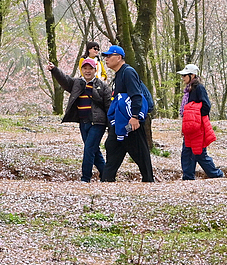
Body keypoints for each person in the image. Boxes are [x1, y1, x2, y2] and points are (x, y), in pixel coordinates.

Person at [47, 57, 110, 182]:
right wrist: (54, 70)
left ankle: (85, 178)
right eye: (85, 68)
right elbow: (65, 80)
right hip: (83, 122)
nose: (87, 71)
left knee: (88, 149)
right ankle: (107, 175)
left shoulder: (101, 85)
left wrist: (111, 125)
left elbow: (108, 105)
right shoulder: (77, 83)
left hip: (97, 122)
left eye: (90, 69)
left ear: (95, 70)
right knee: (93, 150)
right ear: (82, 70)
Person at [100, 46, 154, 183]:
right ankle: (107, 180)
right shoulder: (119, 75)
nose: (106, 59)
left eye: (109, 56)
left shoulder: (128, 73)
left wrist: (135, 117)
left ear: (119, 58)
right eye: (105, 56)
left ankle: (148, 181)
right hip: (120, 123)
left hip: (131, 122)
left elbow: (136, 96)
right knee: (112, 146)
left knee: (140, 154)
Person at [177, 64, 224, 180]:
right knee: (187, 152)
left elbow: (206, 106)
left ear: (192, 75)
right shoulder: (188, 90)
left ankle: (216, 174)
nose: (182, 78)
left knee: (199, 153)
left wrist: (195, 118)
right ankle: (188, 177)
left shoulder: (199, 88)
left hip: (198, 127)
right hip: (190, 127)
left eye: (184, 75)